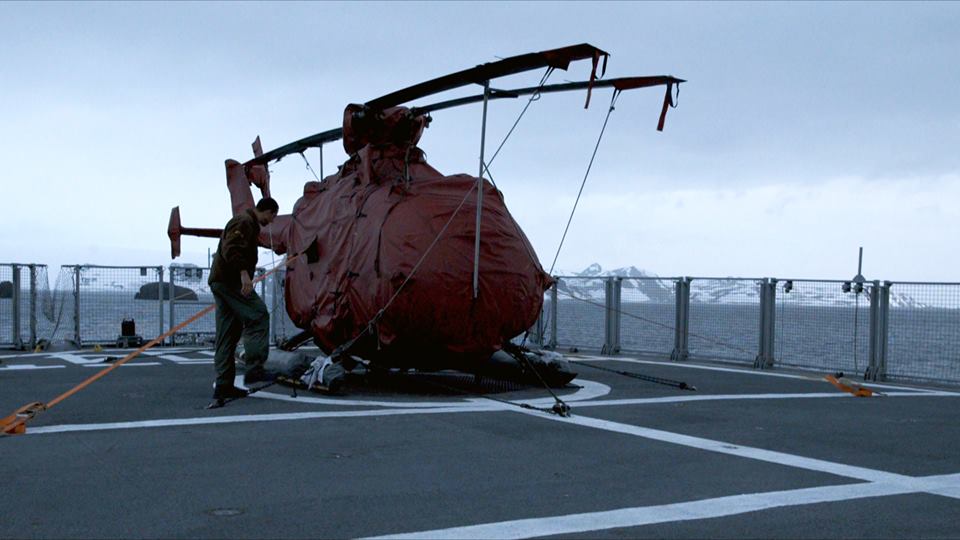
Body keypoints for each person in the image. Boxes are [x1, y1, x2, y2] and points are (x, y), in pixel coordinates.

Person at [207, 197, 279, 400]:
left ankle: (223, 385)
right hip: (230, 282)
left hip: (220, 281)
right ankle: (255, 368)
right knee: (258, 315)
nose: (271, 221)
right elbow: (232, 248)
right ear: (266, 211)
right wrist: (244, 274)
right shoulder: (244, 222)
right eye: (272, 216)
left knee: (227, 334)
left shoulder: (245, 222)